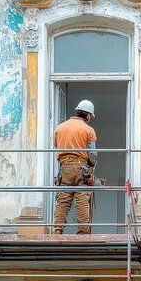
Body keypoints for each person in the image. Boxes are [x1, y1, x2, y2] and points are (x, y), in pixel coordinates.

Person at [53, 100, 98, 235]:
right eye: (90, 115)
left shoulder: (59, 128)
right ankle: (83, 231)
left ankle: (57, 230)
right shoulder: (88, 129)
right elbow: (92, 154)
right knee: (82, 199)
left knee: (63, 200)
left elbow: (57, 147)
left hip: (64, 167)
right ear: (88, 115)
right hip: (81, 168)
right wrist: (91, 167)